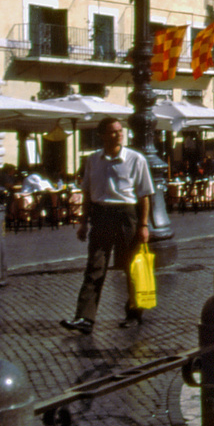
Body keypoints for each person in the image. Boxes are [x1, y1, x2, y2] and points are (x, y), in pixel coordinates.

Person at [62, 116, 154, 334]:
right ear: (102, 135)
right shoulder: (93, 160)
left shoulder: (136, 159)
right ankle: (85, 318)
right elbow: (86, 193)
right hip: (101, 216)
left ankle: (134, 313)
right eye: (113, 132)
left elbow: (145, 196)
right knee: (95, 266)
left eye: (120, 131)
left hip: (126, 216)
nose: (118, 135)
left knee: (131, 267)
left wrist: (143, 225)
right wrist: (83, 222)